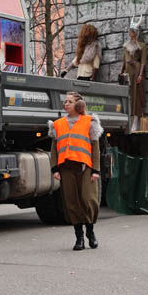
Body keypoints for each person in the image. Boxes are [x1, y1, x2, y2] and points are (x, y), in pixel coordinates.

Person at [49, 92, 102, 251]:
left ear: (78, 105)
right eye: (65, 102)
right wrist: (55, 169)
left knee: (87, 198)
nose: (66, 104)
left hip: (85, 168)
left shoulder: (89, 122)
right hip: (66, 168)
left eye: (70, 102)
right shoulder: (57, 124)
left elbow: (95, 149)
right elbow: (54, 149)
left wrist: (96, 170)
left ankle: (90, 231)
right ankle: (79, 237)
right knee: (71, 202)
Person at [120, 15, 147, 131]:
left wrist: (140, 74)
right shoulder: (126, 46)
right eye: (130, 31)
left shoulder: (142, 46)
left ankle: (136, 120)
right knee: (128, 94)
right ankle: (128, 119)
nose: (130, 33)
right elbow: (123, 61)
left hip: (136, 70)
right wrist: (121, 72)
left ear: (136, 32)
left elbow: (144, 61)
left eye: (132, 31)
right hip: (127, 72)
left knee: (136, 94)